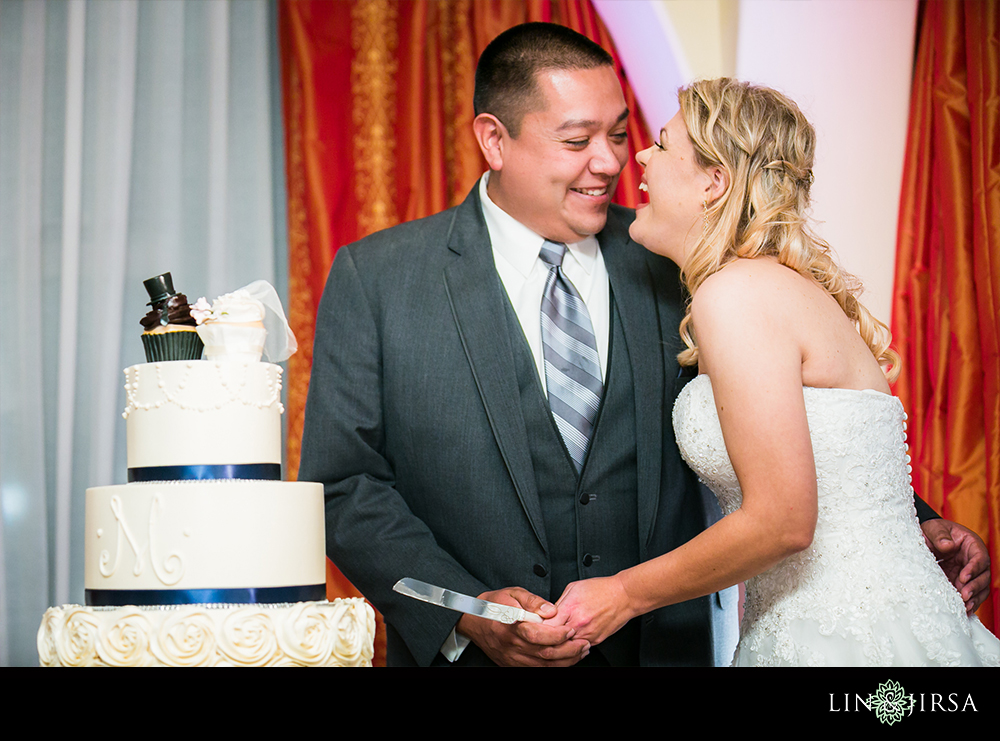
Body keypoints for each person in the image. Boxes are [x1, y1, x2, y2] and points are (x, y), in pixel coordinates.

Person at [299, 24, 989, 666]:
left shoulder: (682, 261)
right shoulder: (380, 277)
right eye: (577, 141)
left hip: (666, 649)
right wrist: (464, 610)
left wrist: (909, 522)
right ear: (495, 139)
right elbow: (346, 484)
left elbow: (794, 417)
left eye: (623, 134)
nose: (611, 163)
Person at [551, 78, 999, 666]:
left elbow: (784, 520)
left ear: (714, 181)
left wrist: (622, 594)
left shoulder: (734, 295)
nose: (639, 156)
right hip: (863, 619)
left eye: (661, 145)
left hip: (839, 641)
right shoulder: (773, 287)